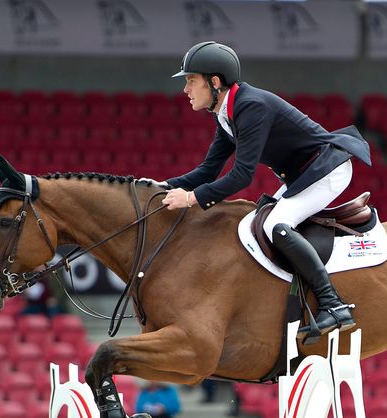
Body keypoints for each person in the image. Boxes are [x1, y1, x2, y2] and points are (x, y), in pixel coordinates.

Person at [152, 41, 372, 338]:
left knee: (276, 225)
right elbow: (208, 171)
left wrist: (191, 198)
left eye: (191, 80)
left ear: (214, 82)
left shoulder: (250, 107)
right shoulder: (227, 113)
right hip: (303, 175)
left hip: (326, 170)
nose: (185, 89)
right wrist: (161, 186)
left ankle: (333, 304)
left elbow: (242, 176)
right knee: (260, 221)